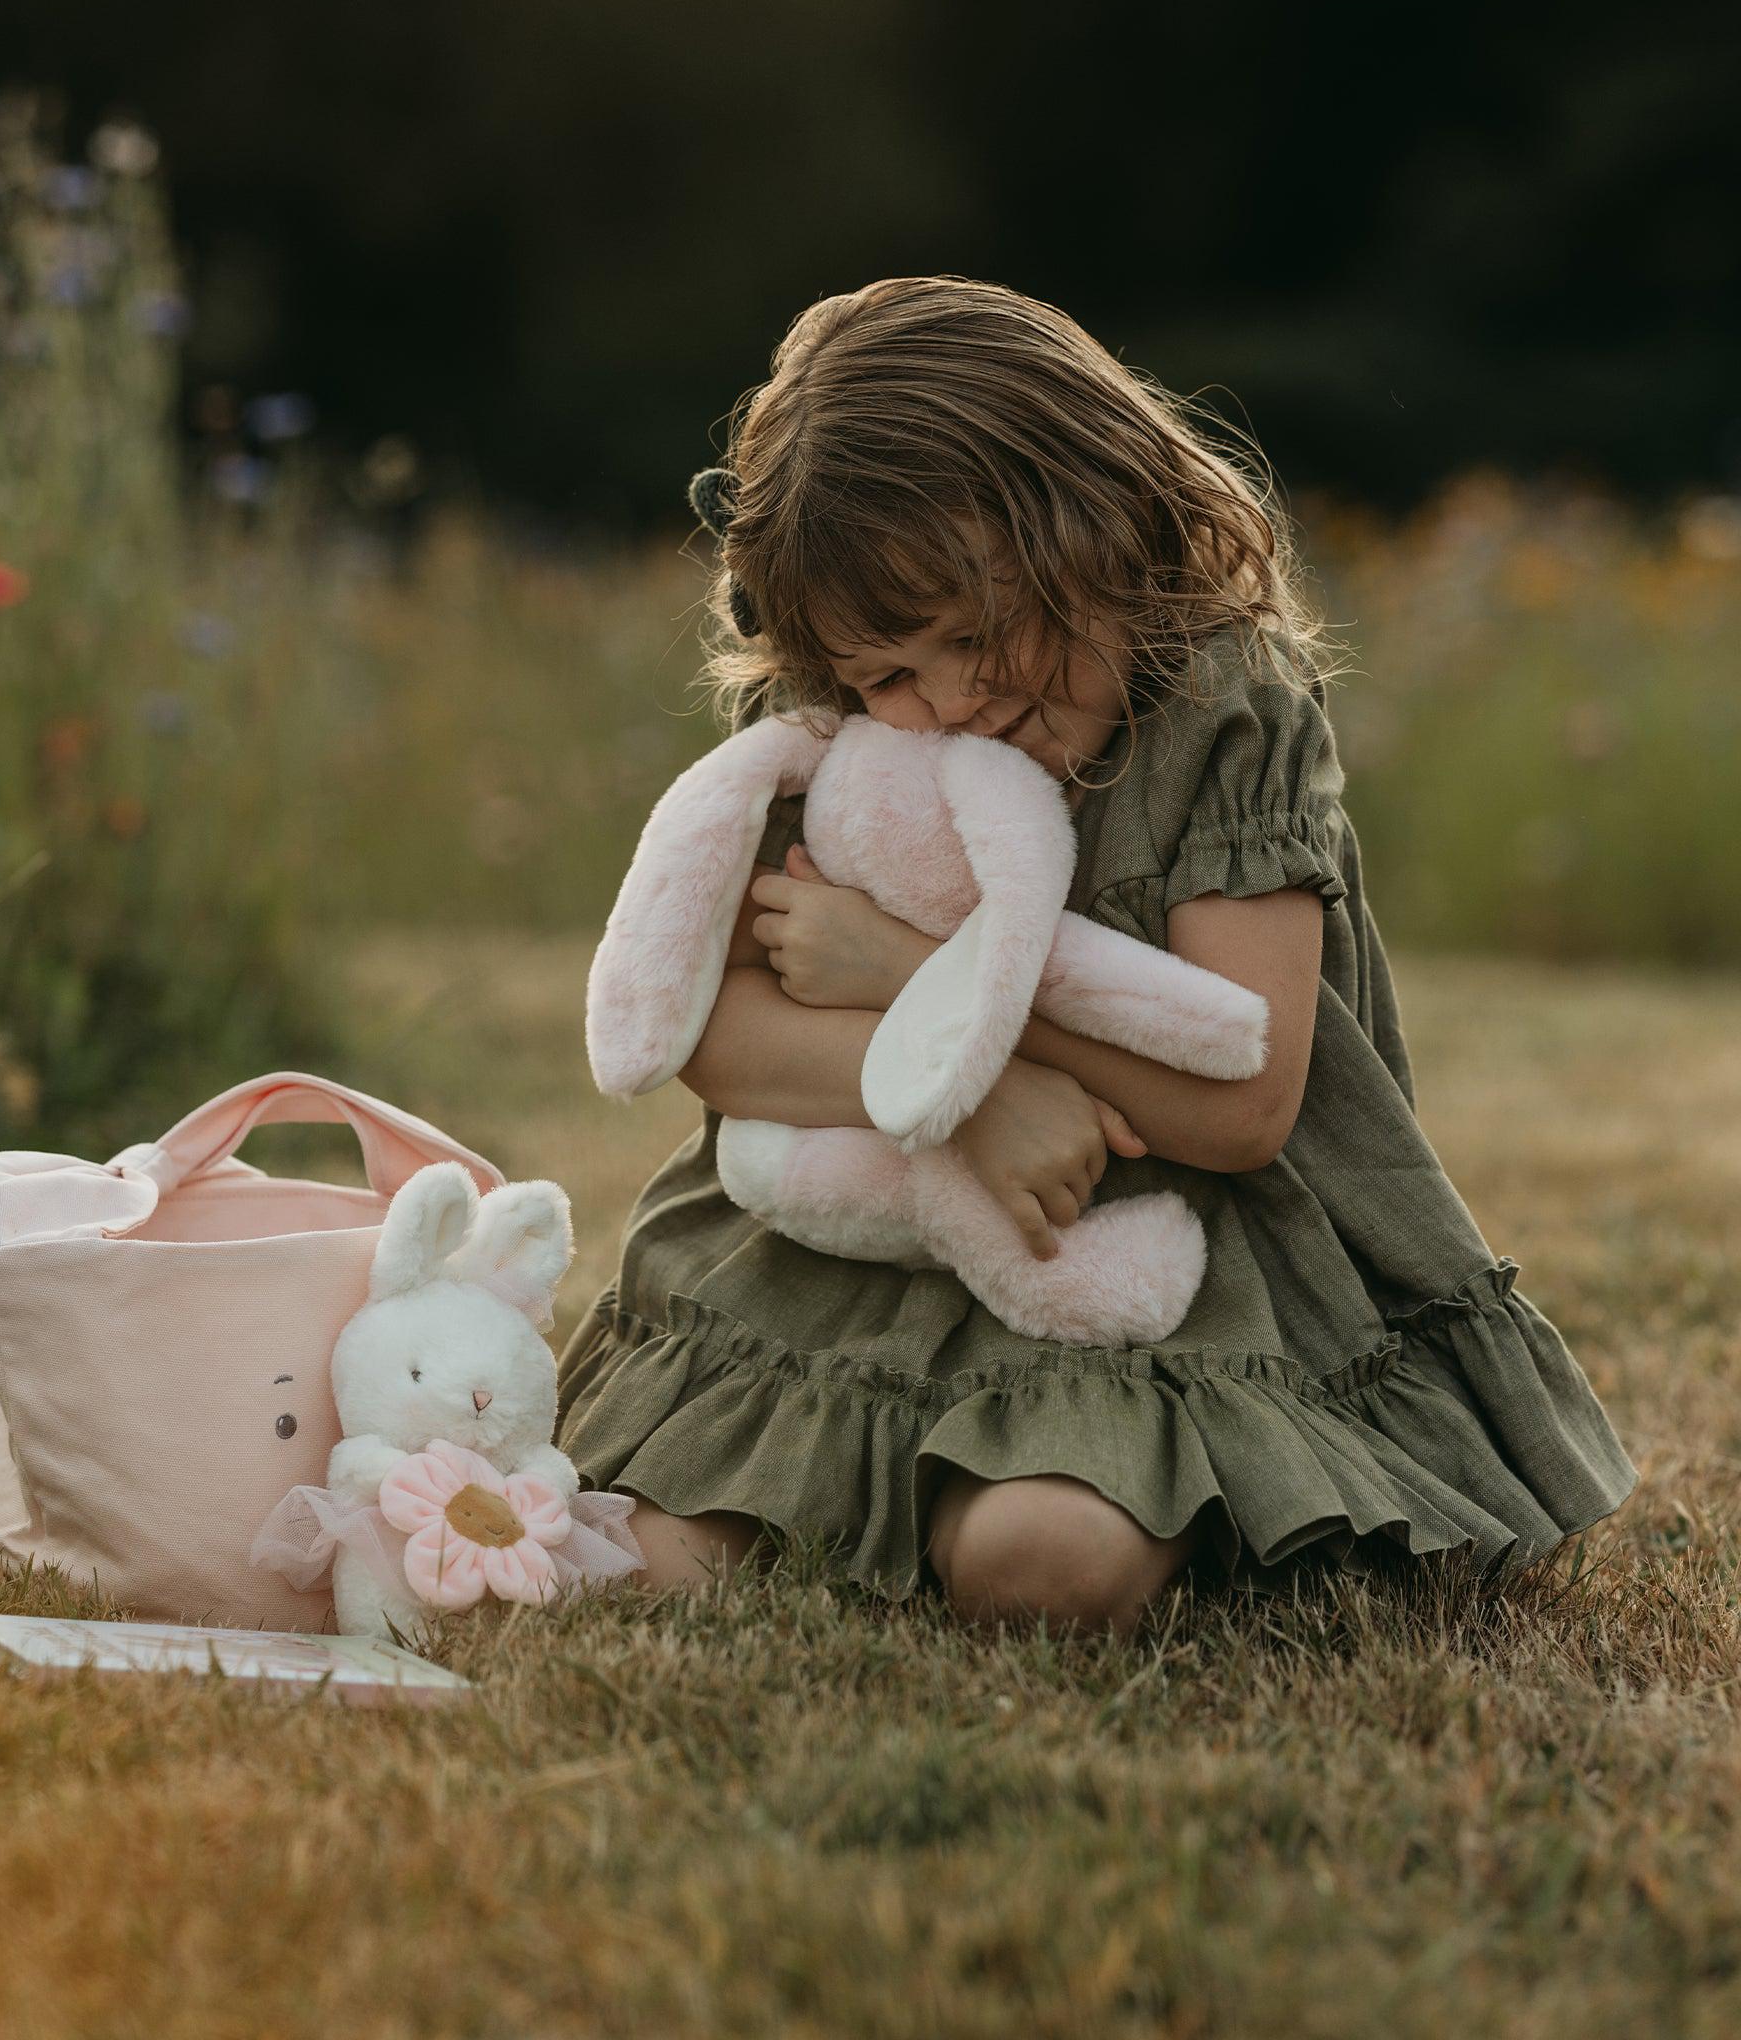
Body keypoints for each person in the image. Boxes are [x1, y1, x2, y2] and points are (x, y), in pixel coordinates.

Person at [556, 276, 1639, 1637]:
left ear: (1097, 526)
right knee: (657, 1566)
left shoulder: (1221, 708)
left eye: (972, 633)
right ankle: (879, 1475)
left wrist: (909, 971)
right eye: (889, 673)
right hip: (865, 1249)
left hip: (1164, 1255)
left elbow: (1240, 1108)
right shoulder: (845, 725)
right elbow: (717, 1038)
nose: (945, 699)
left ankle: (1104, 1484)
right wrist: (981, 1099)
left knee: (1040, 1567)